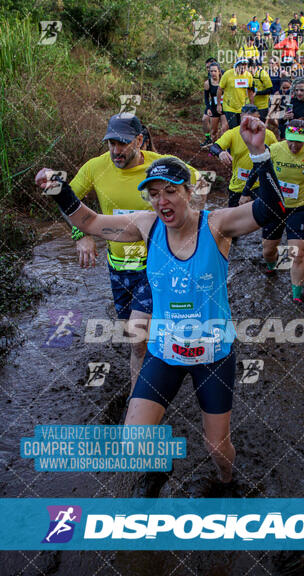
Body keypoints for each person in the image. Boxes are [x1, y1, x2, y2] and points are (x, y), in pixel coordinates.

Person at [35, 116, 286, 485]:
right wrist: (58, 190)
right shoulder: (145, 224)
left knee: (218, 450)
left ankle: (228, 483)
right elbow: (89, 221)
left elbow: (272, 211)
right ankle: (160, 470)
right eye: (154, 193)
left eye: (170, 191)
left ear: (188, 191)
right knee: (135, 441)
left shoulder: (217, 225)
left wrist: (259, 154)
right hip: (165, 353)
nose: (161, 200)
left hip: (213, 355)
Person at [36, 114, 201, 396]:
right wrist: (82, 235)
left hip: (156, 265)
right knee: (134, 336)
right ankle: (150, 385)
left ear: (139, 140)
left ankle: (141, 403)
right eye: (111, 142)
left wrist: (187, 230)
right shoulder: (96, 167)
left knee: (138, 337)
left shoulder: (161, 166)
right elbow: (70, 204)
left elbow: (196, 186)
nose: (115, 150)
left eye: (122, 143)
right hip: (119, 267)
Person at [240, 119, 304, 301]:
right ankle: (271, 265)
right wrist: (246, 193)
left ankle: (296, 295)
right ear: (284, 137)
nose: (294, 145)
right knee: (268, 250)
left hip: (299, 208)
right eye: (291, 140)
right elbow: (257, 170)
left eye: (298, 141)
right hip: (274, 207)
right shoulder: (274, 149)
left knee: (297, 253)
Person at [210, 104, 277, 206]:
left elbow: (277, 156)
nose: (249, 123)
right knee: (233, 219)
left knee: (259, 219)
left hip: (259, 186)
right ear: (241, 117)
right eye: (246, 119)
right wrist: (221, 153)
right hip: (238, 185)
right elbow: (213, 147)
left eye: (253, 119)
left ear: (258, 117)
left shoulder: (268, 135)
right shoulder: (233, 133)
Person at [217, 58, 254, 129]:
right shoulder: (228, 74)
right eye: (241, 68)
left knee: (242, 128)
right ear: (236, 66)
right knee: (234, 128)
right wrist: (219, 105)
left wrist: (252, 104)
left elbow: (250, 91)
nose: (243, 70)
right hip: (229, 107)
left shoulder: (248, 76)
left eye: (245, 67)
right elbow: (220, 89)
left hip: (242, 107)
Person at [203, 62, 228, 141]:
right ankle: (214, 149)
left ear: (219, 71)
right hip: (214, 107)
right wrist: (208, 108)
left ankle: (223, 148)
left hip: (224, 107)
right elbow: (206, 98)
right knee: (214, 131)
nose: (213, 73)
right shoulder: (207, 83)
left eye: (215, 71)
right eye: (211, 71)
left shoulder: (224, 81)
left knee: (225, 129)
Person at [201, 57, 219, 147]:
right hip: (213, 102)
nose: (209, 70)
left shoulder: (223, 74)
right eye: (207, 68)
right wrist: (208, 107)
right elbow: (206, 95)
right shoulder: (209, 78)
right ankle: (208, 139)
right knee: (204, 119)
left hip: (224, 103)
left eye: (210, 68)